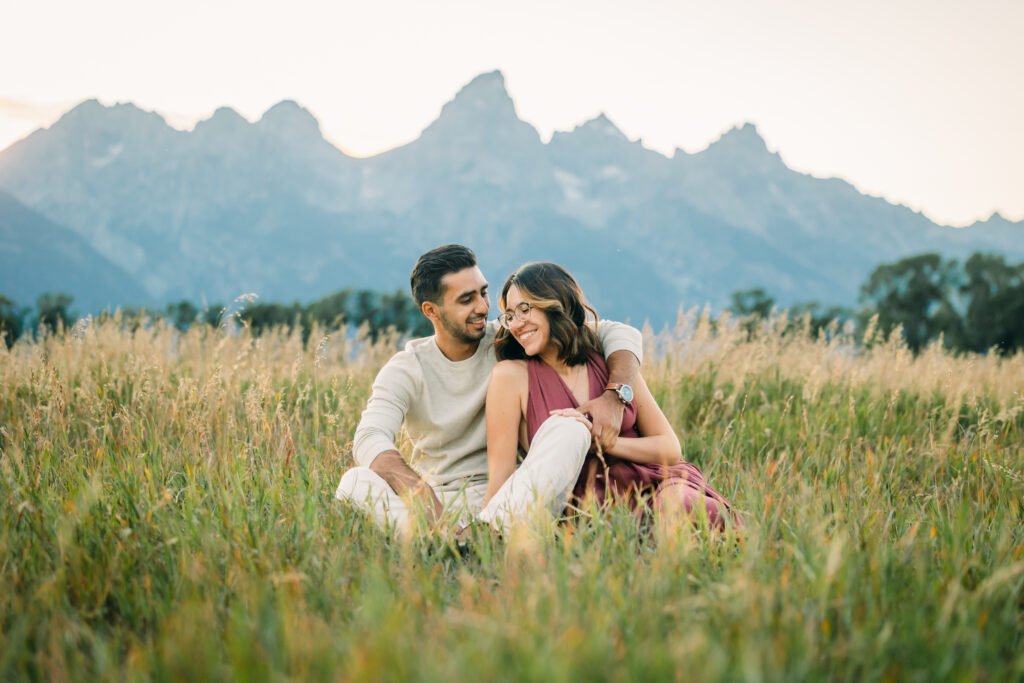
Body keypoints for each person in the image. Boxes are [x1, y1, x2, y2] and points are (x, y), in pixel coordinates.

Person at [335, 245, 643, 536]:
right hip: (436, 502)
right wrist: (423, 498)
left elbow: (618, 332)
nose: (483, 307)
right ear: (432, 310)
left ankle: (485, 536)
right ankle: (442, 540)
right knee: (353, 481)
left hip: (511, 494)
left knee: (570, 428)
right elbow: (369, 437)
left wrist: (614, 395)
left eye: (483, 292)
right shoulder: (406, 369)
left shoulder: (508, 336)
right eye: (466, 299)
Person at [484, 262, 739, 529]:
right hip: (583, 504)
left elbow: (670, 449)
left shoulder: (611, 364)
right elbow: (501, 475)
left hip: (653, 484)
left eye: (525, 309)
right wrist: (486, 535)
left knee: (686, 509)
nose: (516, 324)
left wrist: (607, 443)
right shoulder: (510, 377)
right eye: (509, 316)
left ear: (556, 303)